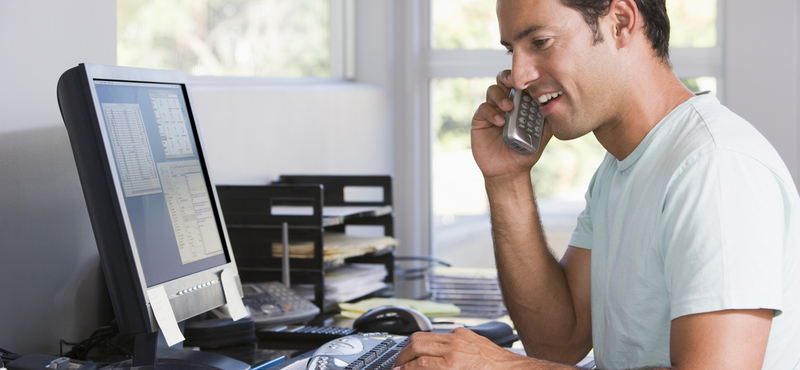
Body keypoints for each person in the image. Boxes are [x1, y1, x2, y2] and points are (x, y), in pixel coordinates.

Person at [392, 0, 800, 369]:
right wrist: (507, 180)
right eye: (511, 50)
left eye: (540, 41)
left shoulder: (713, 168)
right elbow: (558, 341)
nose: (519, 76)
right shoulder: (620, 168)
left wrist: (505, 367)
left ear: (620, 22)